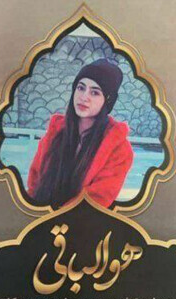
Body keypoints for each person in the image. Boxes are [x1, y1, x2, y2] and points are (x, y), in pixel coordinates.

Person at [27, 59, 134, 209]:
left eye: (95, 92)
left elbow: (96, 200)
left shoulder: (118, 149)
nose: (84, 97)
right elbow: (34, 184)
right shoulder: (55, 133)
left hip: (81, 221)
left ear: (107, 100)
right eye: (81, 88)